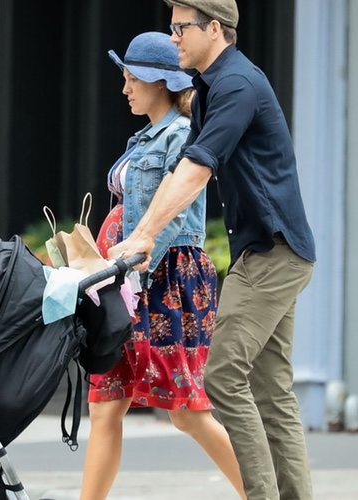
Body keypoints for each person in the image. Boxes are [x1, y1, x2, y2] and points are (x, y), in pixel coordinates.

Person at [109, 3, 316, 499]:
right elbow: (182, 168)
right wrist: (144, 231)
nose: (174, 36)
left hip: (274, 252)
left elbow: (198, 169)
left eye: (182, 28)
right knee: (271, 394)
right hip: (267, 252)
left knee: (222, 376)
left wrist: (146, 234)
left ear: (215, 29)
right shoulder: (209, 89)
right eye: (173, 26)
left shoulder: (237, 86)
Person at [80, 31, 246, 500]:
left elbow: (175, 212)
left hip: (165, 278)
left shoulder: (183, 135)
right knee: (106, 403)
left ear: (159, 82)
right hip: (122, 281)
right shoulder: (143, 137)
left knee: (186, 410)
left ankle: (265, 493)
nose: (125, 88)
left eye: (133, 79)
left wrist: (132, 259)